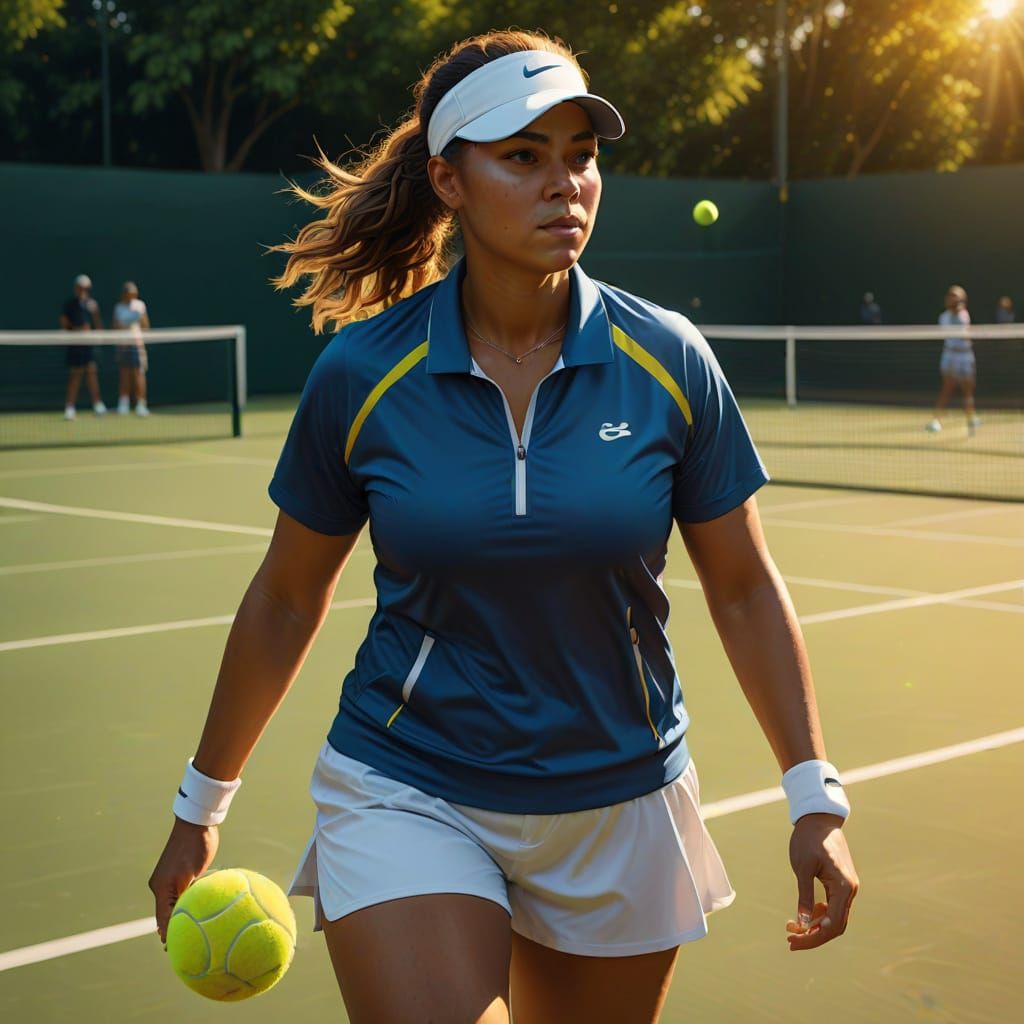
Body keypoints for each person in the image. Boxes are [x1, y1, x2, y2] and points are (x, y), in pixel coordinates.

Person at [148, 30, 858, 1024]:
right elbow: (285, 593)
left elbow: (742, 584)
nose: (563, 182)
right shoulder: (361, 374)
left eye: (580, 154)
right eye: (522, 156)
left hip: (618, 796)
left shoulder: (670, 361)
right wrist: (199, 807)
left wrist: (813, 793)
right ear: (448, 178)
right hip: (410, 782)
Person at [927, 284, 980, 435]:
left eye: (956, 296)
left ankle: (971, 419)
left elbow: (961, 318)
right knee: (947, 387)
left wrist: (958, 306)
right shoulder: (943, 317)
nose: (953, 299)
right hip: (950, 355)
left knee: (968, 390)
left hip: (966, 355)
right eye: (951, 296)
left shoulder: (964, 315)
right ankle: (936, 420)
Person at [60, 274, 107, 419]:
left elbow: (98, 326)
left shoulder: (92, 305)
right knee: (75, 375)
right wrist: (78, 329)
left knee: (91, 374)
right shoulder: (69, 305)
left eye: (85, 288)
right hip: (75, 344)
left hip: (88, 346)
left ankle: (98, 405)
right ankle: (69, 407)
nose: (83, 290)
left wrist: (95, 315)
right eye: (80, 287)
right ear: (76, 288)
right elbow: (63, 323)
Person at [112, 280, 150, 416]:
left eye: (133, 294)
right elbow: (115, 326)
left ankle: (140, 404)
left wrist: (139, 319)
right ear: (124, 294)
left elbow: (146, 326)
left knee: (138, 374)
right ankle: (123, 404)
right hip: (123, 345)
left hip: (137, 345)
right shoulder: (118, 308)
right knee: (124, 374)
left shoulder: (140, 306)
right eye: (128, 293)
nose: (131, 296)